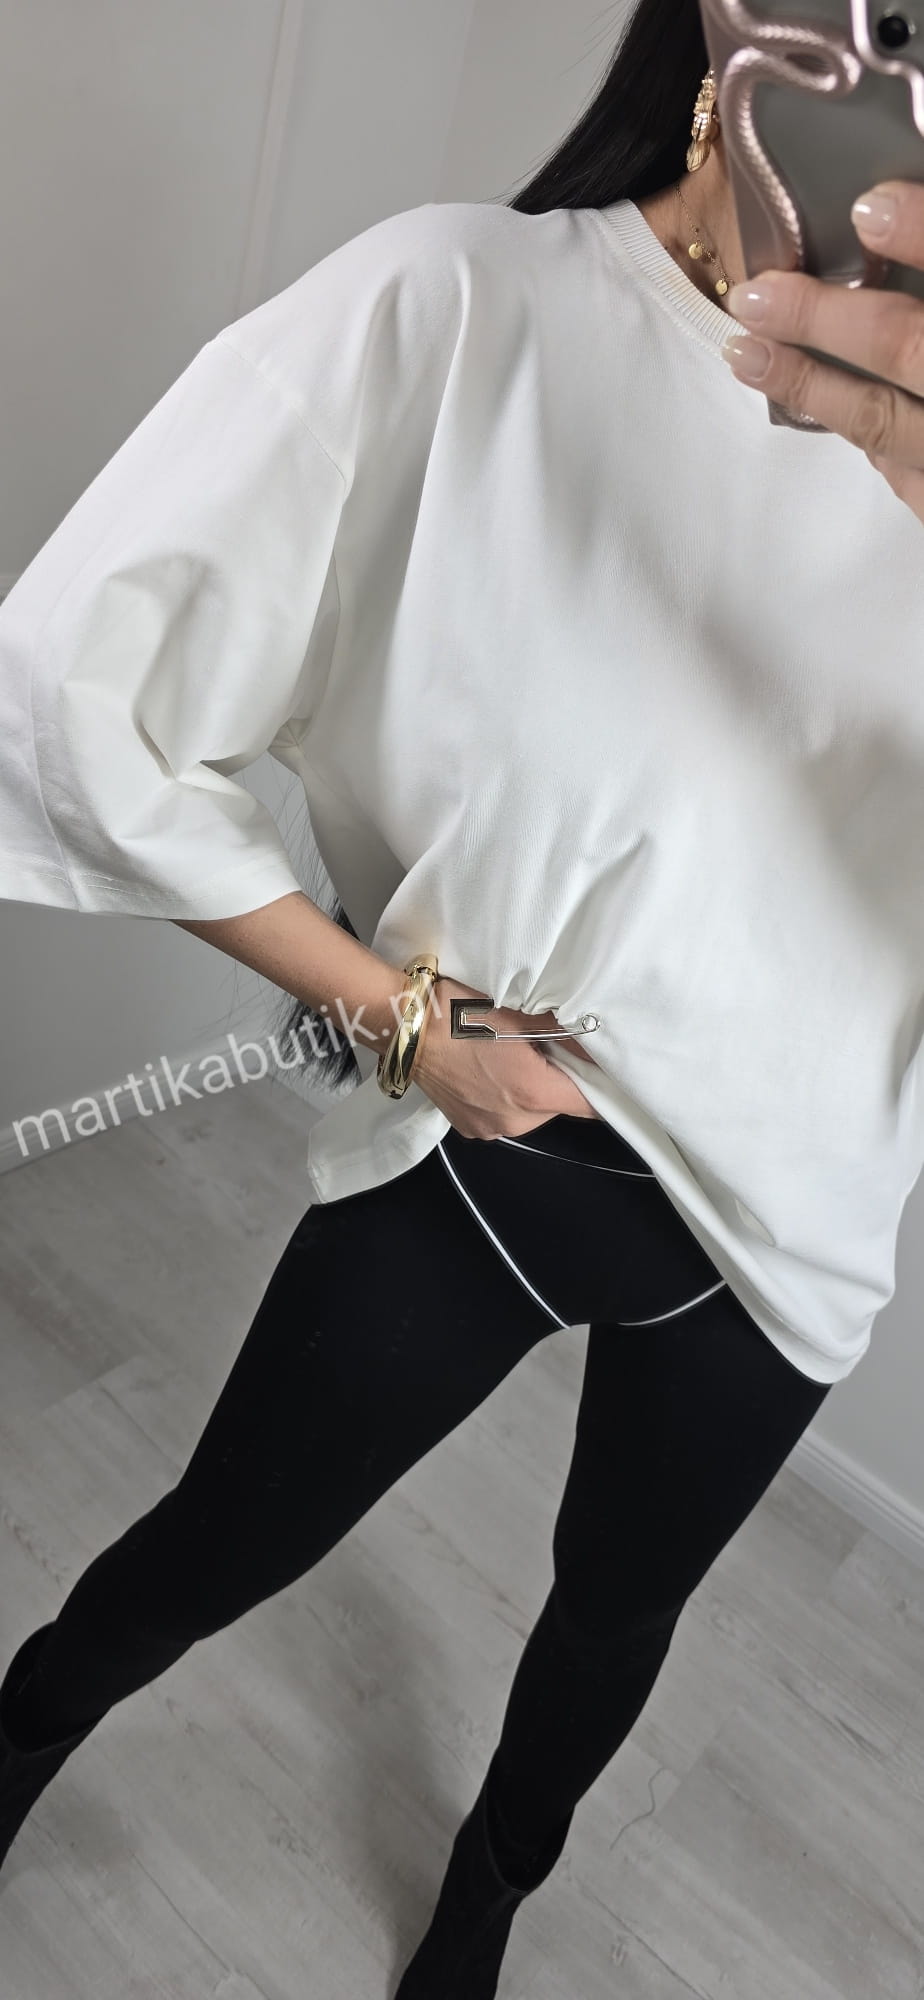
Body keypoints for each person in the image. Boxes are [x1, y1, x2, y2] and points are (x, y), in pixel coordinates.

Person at [0, 5, 919, 1994]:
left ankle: (491, 1891)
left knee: (613, 1619)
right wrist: (399, 1020)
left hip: (797, 1230)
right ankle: (25, 1728)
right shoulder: (459, 302)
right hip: (504, 1139)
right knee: (229, 1534)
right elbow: (73, 691)